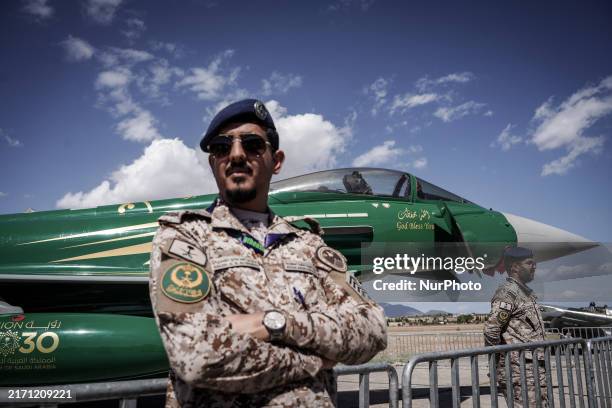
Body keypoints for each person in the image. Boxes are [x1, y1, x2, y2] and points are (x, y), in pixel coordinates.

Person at [149, 99, 388, 407]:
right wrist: (314, 360)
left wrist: (275, 324)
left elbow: (372, 329)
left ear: (276, 160)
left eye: (252, 144)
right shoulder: (184, 234)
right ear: (212, 163)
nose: (236, 154)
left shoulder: (309, 245)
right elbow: (198, 354)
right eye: (222, 147)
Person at [484, 246, 548, 408]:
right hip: (518, 371)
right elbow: (491, 330)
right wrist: (497, 362)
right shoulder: (508, 293)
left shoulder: (525, 293)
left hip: (533, 368)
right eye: (529, 263)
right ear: (514, 267)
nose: (534, 266)